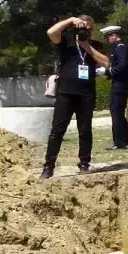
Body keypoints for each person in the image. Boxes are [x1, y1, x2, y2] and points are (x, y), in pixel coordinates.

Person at [40, 15, 109, 179]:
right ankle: (49, 165)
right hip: (66, 93)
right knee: (57, 130)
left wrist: (87, 47)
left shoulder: (95, 46)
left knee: (85, 130)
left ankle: (84, 163)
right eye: (82, 27)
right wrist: (70, 20)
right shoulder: (66, 44)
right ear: (76, 29)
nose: (85, 31)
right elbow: (51, 32)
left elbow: (106, 62)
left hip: (86, 94)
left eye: (88, 28)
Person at [98, 25, 128, 151]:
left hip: (121, 85)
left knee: (116, 112)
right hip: (120, 84)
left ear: (114, 35)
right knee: (116, 111)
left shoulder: (121, 48)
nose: (108, 40)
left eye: (108, 37)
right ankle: (127, 136)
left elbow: (122, 66)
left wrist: (107, 71)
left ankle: (120, 142)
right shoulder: (119, 48)